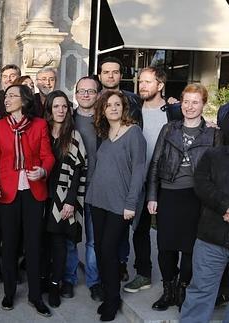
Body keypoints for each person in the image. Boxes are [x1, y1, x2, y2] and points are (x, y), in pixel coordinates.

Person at [147, 83, 223, 311]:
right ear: (181, 103)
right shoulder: (169, 129)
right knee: (165, 248)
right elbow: (155, 164)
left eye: (195, 102)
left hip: (197, 199)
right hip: (169, 195)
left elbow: (219, 170)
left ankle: (182, 290)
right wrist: (152, 195)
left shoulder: (213, 133)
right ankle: (168, 290)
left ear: (203, 104)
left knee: (190, 249)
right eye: (186, 102)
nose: (190, 107)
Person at [0, 84, 55, 317]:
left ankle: (35, 297)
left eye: (12, 96)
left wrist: (43, 172)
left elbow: (47, 156)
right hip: (7, 192)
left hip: (34, 192)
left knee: (34, 245)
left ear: (24, 100)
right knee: (10, 244)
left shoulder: (39, 125)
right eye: (6, 96)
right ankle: (8, 293)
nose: (6, 100)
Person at [85, 91, 146, 321]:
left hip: (120, 204)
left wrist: (131, 203)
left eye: (117, 104)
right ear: (102, 109)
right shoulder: (104, 133)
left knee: (110, 250)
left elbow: (139, 170)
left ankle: (113, 300)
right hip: (97, 200)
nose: (113, 108)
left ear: (124, 107)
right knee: (100, 249)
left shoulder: (134, 133)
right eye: (108, 105)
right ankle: (110, 294)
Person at [123, 67, 183, 294]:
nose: (142, 86)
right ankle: (143, 273)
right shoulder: (133, 111)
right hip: (140, 179)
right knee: (140, 229)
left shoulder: (174, 112)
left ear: (160, 85)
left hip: (167, 181)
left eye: (148, 82)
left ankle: (173, 277)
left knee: (168, 230)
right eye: (141, 82)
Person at [43, 90, 87, 308]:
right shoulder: (42, 131)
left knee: (61, 243)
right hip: (41, 195)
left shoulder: (73, 135)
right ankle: (45, 278)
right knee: (43, 242)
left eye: (64, 106)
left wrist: (70, 201)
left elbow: (79, 170)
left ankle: (56, 284)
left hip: (62, 199)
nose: (60, 110)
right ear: (49, 110)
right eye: (56, 106)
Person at [62, 76, 104, 302]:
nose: (86, 95)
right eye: (81, 91)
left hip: (97, 189)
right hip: (71, 189)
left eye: (91, 91)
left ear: (98, 94)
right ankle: (68, 278)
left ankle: (94, 281)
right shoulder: (67, 120)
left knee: (94, 240)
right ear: (75, 94)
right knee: (70, 237)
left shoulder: (105, 121)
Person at [179, 144, 229, 323]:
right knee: (201, 291)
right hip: (212, 238)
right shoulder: (213, 155)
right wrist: (224, 206)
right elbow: (201, 183)